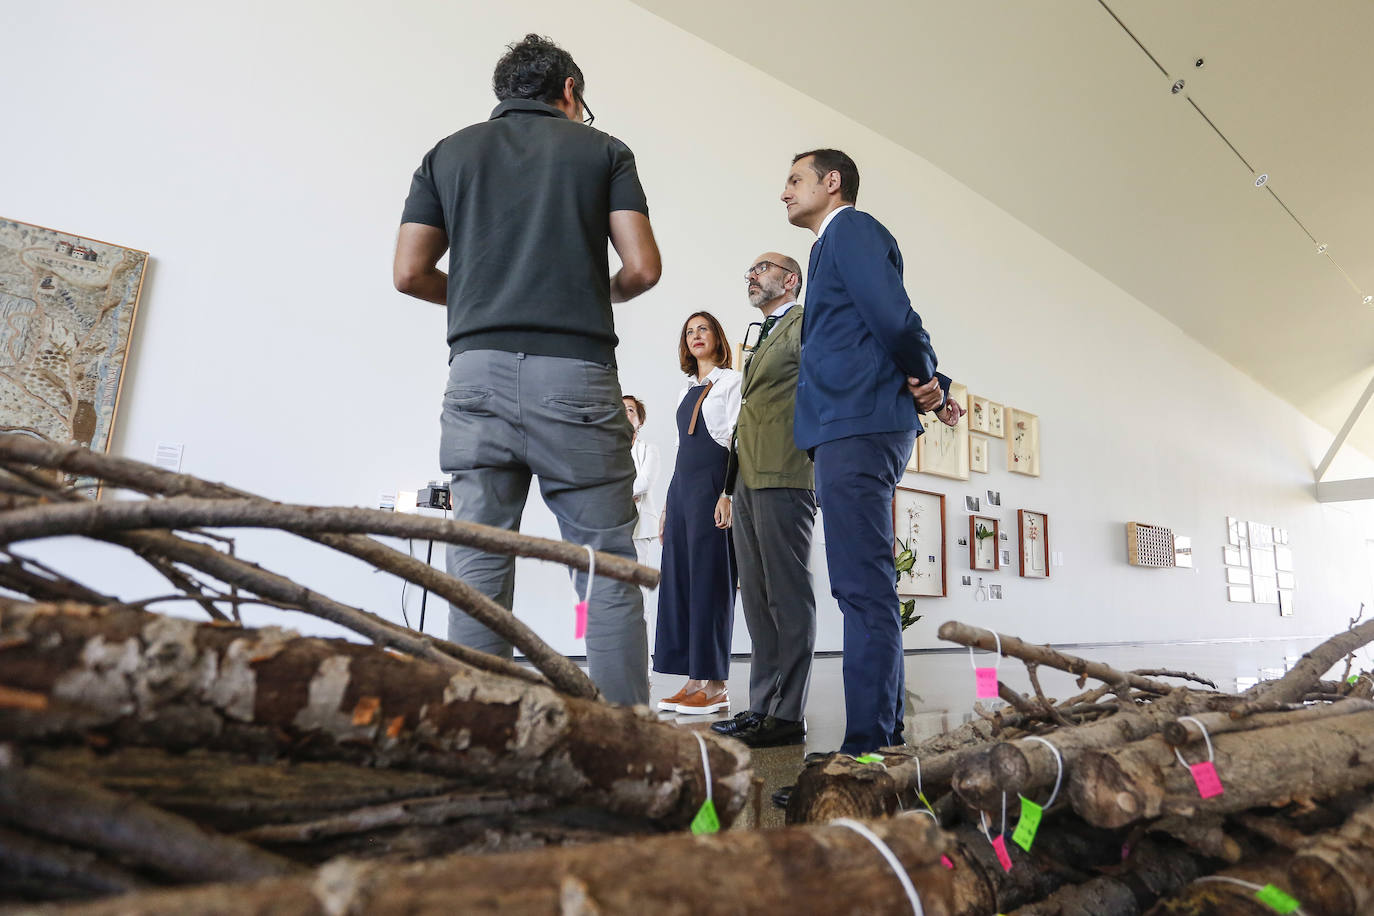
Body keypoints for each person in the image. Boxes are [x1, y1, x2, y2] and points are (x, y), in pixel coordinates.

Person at [392, 34, 662, 706]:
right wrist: (599, 291)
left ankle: (482, 743)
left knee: (477, 564)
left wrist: (489, 296)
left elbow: (408, 272)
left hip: (476, 375)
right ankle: (627, 749)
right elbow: (643, 268)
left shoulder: (447, 154)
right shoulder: (603, 151)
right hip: (574, 374)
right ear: (569, 91)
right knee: (605, 568)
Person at [782, 148, 962, 755]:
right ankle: (880, 740)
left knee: (862, 587)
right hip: (846, 426)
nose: (785, 192)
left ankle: (867, 752)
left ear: (832, 183)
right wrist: (929, 384)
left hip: (857, 425)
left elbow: (894, 316)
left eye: (795, 180)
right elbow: (872, 327)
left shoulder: (851, 230)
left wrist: (928, 376)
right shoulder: (827, 245)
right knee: (861, 585)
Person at [709, 253, 816, 749]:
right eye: (747, 269)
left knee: (787, 594)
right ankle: (761, 707)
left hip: (786, 470)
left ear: (789, 278)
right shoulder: (761, 333)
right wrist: (729, 487)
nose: (750, 274)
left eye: (761, 267)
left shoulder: (806, 320)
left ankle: (788, 713)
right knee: (755, 595)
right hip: (749, 475)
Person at [654, 311, 742, 716]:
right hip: (683, 490)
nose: (695, 336)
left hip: (713, 486)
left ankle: (717, 684)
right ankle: (692, 680)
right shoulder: (684, 389)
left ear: (717, 337)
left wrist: (727, 493)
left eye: (702, 328)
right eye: (689, 331)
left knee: (712, 584)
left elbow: (738, 442)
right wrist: (668, 507)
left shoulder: (731, 382)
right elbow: (679, 451)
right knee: (682, 584)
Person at [623, 395, 661, 567]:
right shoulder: (603, 450)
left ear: (640, 422)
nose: (624, 413)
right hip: (609, 523)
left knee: (636, 579)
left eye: (630, 410)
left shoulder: (649, 449)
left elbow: (645, 482)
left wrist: (616, 493)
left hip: (638, 524)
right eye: (620, 409)